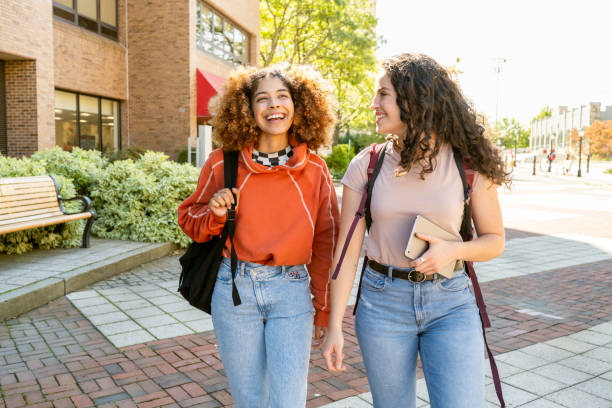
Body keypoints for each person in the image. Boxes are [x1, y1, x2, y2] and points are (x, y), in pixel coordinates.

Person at [321, 53, 510, 408]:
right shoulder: (368, 164)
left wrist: (453, 251)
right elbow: (346, 253)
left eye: (383, 94)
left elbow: (495, 241)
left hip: (451, 301)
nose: (374, 103)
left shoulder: (466, 164)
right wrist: (335, 325)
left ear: (414, 99)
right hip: (382, 302)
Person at [178, 64, 339, 408]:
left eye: (283, 96)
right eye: (262, 99)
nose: (273, 105)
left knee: (288, 401)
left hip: (292, 289)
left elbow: (327, 242)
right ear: (247, 109)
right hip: (234, 288)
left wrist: (323, 309)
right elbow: (189, 218)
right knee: (249, 400)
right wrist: (215, 215)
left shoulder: (315, 169)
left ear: (299, 105)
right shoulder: (222, 162)